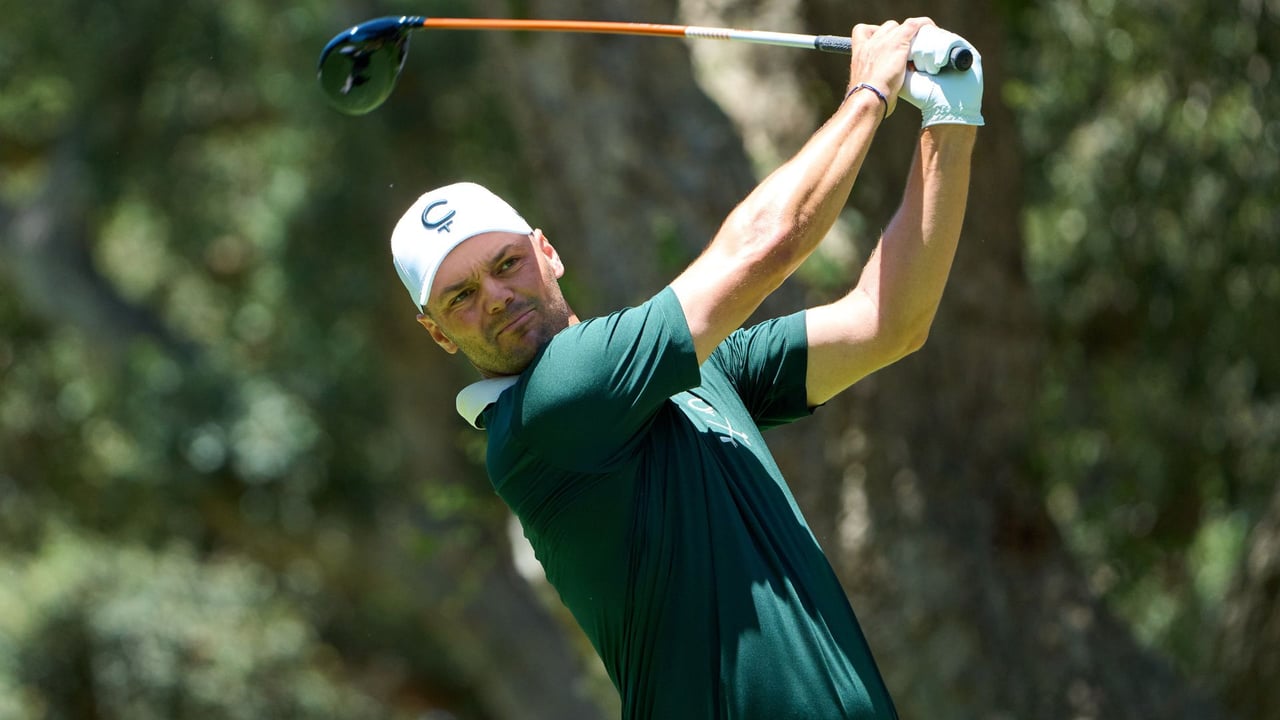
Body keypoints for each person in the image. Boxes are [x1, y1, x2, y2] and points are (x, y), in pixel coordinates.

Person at [390, 17, 983, 720]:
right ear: (437, 334)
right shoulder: (547, 410)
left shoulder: (688, 378)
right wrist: (869, 92)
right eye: (461, 297)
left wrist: (950, 122)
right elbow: (766, 244)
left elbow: (887, 323)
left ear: (547, 253)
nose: (496, 297)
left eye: (506, 263)